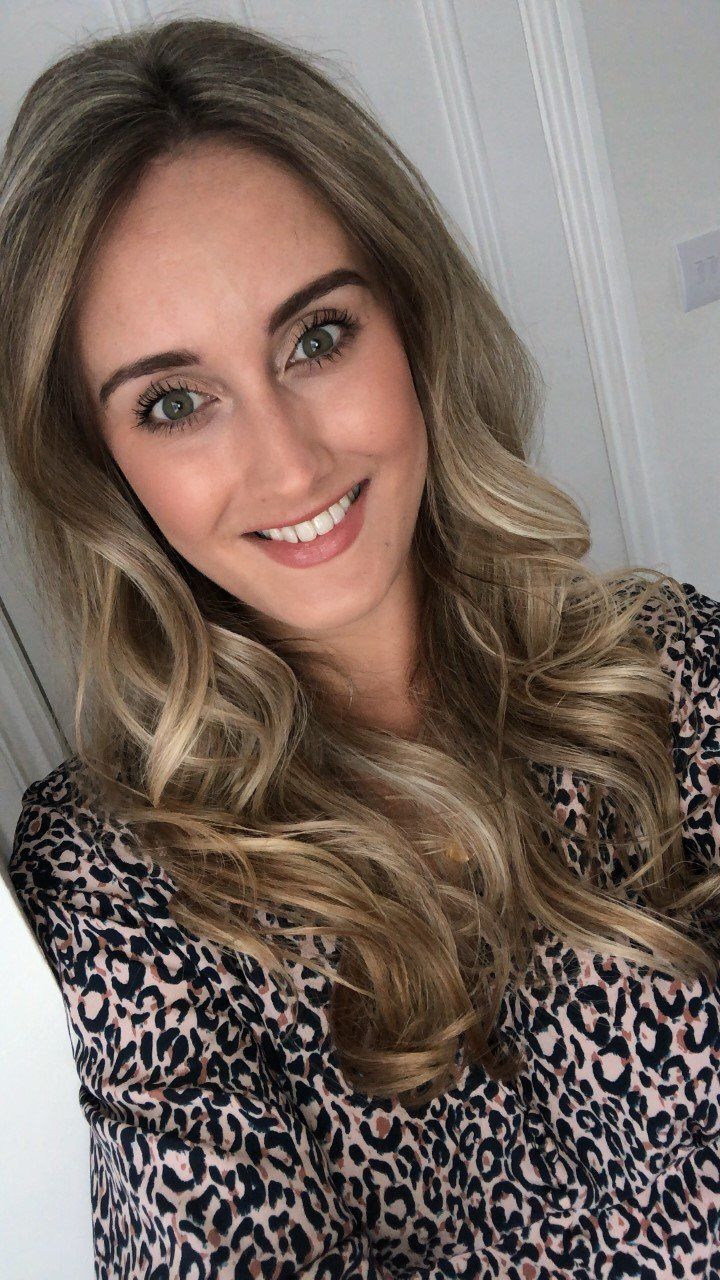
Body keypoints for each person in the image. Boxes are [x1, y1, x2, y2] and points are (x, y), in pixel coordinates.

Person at [2, 16, 719, 1280]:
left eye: (316, 337)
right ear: (102, 466)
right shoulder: (121, 883)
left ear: (411, 318)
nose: (289, 463)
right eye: (175, 402)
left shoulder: (662, 668)